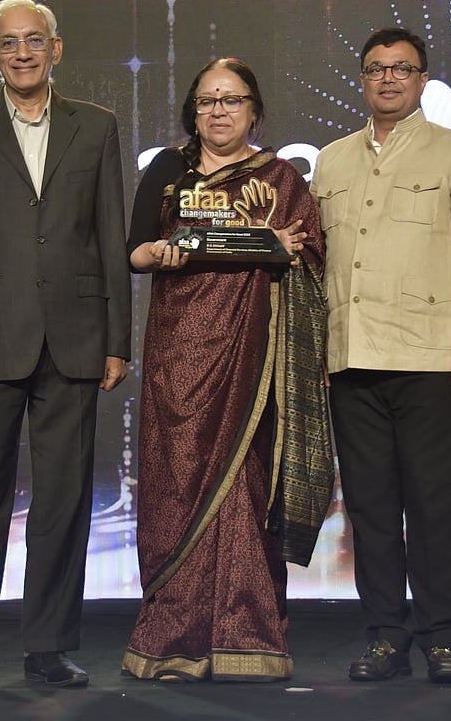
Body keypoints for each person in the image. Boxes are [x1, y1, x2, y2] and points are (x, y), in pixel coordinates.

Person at [0, 0, 130, 692]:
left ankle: (49, 646)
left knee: (64, 501)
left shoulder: (96, 127)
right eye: (8, 43)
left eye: (33, 41)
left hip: (74, 341)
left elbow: (109, 235)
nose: (22, 53)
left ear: (56, 48)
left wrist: (116, 339)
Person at [120, 57, 332, 683]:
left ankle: (249, 636)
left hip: (254, 365)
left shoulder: (283, 178)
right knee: (177, 486)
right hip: (177, 360)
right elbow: (133, 251)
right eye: (207, 100)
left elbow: (312, 253)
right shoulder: (167, 170)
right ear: (193, 110)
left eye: (231, 100)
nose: (218, 111)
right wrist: (161, 252)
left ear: (254, 110)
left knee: (243, 487)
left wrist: (292, 251)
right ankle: (172, 640)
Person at [311, 27, 451, 684]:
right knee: (368, 508)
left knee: (430, 506)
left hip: (428, 359)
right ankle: (387, 637)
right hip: (351, 359)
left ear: (422, 79)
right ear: (362, 79)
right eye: (376, 69)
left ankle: (440, 637)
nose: (389, 79)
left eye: (403, 69)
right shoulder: (331, 161)